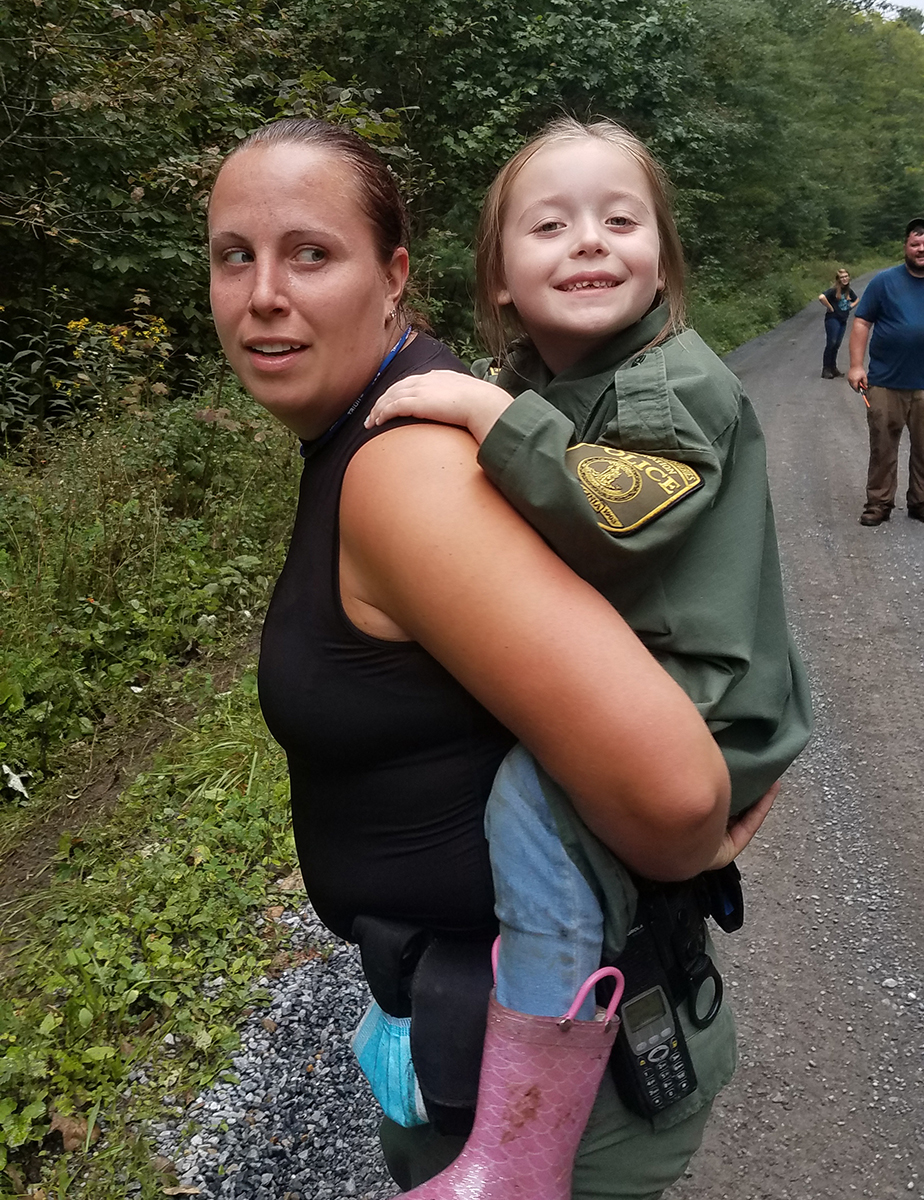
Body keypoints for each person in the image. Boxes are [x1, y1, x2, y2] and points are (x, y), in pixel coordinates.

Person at [208, 117, 777, 1200]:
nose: (264, 293)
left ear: (395, 275)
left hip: (563, 1109)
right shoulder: (381, 432)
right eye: (235, 254)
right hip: (450, 1030)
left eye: (311, 253)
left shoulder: (407, 470)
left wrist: (703, 819)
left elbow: (671, 790)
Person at [368, 114, 812, 1189]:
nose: (591, 242)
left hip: (701, 699)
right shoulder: (563, 390)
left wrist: (480, 409)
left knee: (533, 796)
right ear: (500, 283)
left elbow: (616, 515)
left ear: (663, 259)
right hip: (659, 681)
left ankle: (526, 1134)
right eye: (551, 226)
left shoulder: (669, 386)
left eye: (623, 220)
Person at [848, 217, 924, 526]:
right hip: (885, 381)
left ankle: (920, 503)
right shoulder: (884, 281)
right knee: (882, 446)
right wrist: (855, 365)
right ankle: (879, 503)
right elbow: (862, 322)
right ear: (905, 246)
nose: (921, 249)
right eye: (915, 244)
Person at [818, 268, 858, 378]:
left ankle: (833, 368)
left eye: (846, 276)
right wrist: (830, 307)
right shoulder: (834, 290)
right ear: (838, 279)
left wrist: (851, 306)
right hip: (832, 319)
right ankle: (826, 369)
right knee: (831, 343)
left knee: (836, 345)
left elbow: (856, 299)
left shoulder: (848, 290)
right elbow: (821, 297)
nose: (844, 279)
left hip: (842, 320)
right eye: (842, 277)